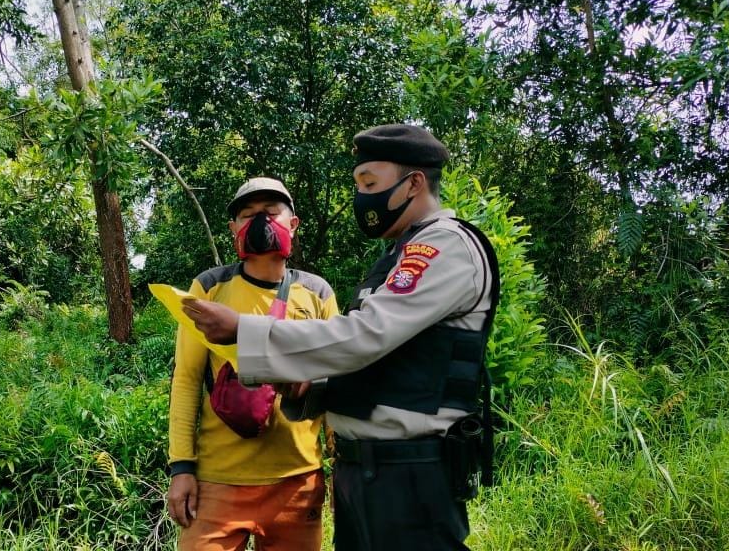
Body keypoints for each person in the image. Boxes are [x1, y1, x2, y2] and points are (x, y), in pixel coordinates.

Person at [182, 124, 501, 551]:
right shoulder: (394, 258)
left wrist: (243, 329)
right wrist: (310, 390)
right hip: (367, 475)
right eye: (357, 184)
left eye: (370, 183)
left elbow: (362, 338)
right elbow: (377, 363)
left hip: (408, 475)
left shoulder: (444, 246)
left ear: (414, 183)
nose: (361, 195)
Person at [166, 177, 339, 551]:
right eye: (247, 215)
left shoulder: (317, 293)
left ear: (293, 224)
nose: (259, 222)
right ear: (234, 230)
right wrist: (181, 467)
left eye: (271, 213)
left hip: (297, 481)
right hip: (218, 482)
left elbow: (334, 384)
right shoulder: (210, 289)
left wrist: (339, 466)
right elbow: (186, 379)